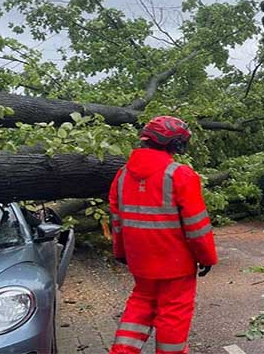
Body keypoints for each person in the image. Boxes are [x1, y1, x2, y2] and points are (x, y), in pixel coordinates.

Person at [108, 116, 217, 354]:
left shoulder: (122, 175)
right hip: (176, 264)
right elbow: (197, 226)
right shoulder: (180, 175)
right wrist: (207, 257)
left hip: (141, 261)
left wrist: (121, 253)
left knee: (140, 305)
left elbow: (117, 222)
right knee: (173, 315)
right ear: (176, 144)